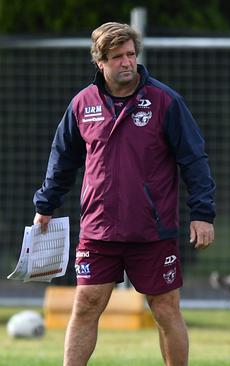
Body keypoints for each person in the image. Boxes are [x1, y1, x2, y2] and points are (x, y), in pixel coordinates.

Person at [33, 22, 216, 366]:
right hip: (99, 229)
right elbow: (63, 158)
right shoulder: (81, 105)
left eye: (131, 54)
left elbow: (194, 159)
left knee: (165, 309)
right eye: (117, 57)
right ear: (99, 62)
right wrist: (46, 204)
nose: (127, 62)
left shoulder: (166, 101)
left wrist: (203, 214)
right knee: (86, 303)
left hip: (152, 230)